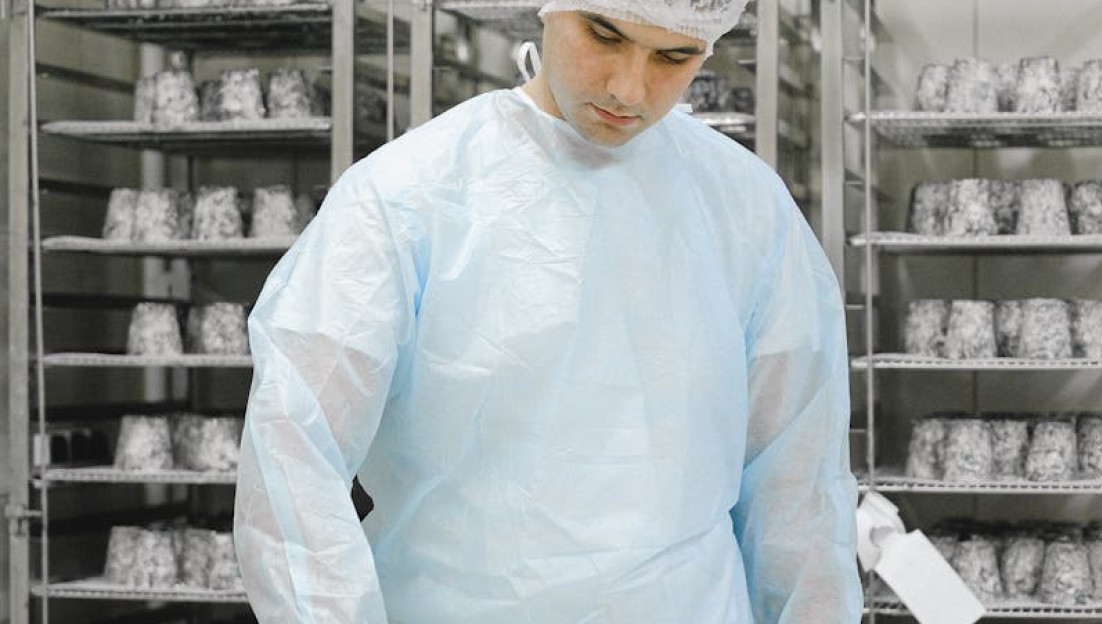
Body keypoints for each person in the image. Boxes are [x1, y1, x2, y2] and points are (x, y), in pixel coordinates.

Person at [233, 1, 862, 622]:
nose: (629, 87)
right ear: (549, 10)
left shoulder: (745, 207)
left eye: (674, 55)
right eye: (603, 35)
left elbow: (799, 487)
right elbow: (294, 453)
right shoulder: (408, 197)